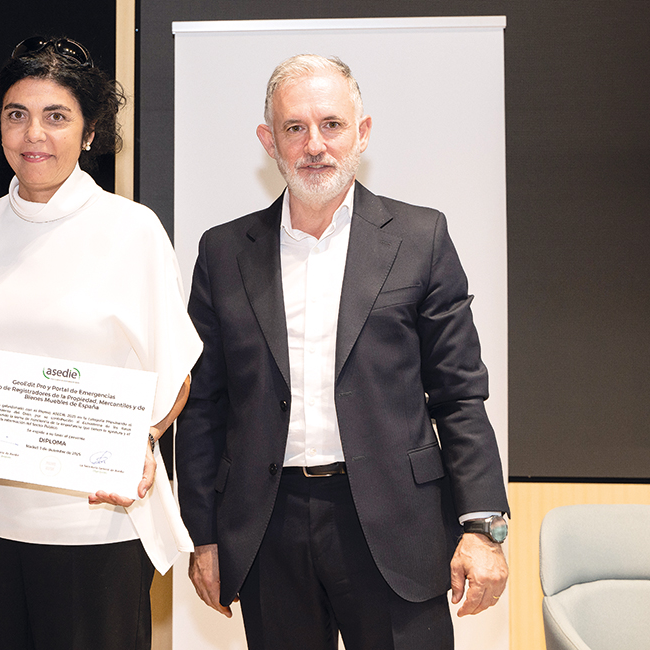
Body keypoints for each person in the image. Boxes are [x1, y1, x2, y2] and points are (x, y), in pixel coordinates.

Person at [176, 54, 510, 649]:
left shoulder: (420, 238)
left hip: (397, 524)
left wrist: (483, 527)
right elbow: (203, 406)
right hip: (266, 528)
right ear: (269, 142)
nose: (314, 145)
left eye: (331, 124)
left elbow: (459, 394)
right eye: (295, 128)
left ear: (362, 133)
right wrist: (202, 534)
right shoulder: (223, 252)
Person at [0, 36, 202, 650]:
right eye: (17, 114)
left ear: (89, 133)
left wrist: (144, 438)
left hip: (95, 525)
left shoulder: (132, 230)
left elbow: (177, 374)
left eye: (56, 116)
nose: (34, 134)